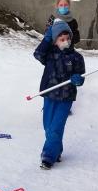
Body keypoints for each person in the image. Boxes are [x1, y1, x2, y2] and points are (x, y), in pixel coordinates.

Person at [33, 19, 85, 170]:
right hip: (49, 95)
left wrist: (77, 80)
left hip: (65, 98)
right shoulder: (49, 54)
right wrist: (47, 38)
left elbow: (80, 76)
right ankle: (57, 150)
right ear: (55, 41)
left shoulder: (76, 57)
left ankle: (48, 156)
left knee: (56, 127)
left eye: (68, 38)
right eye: (61, 39)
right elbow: (37, 54)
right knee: (48, 127)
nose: (66, 42)